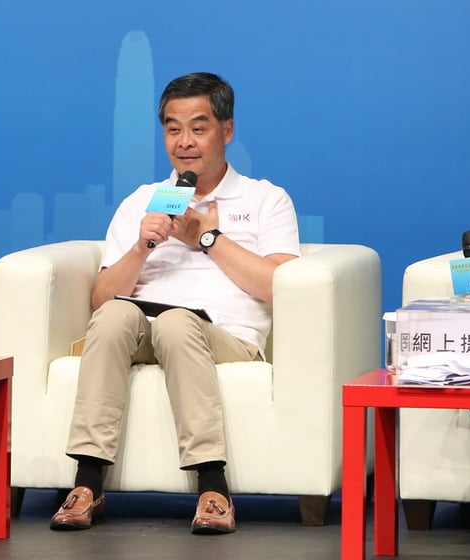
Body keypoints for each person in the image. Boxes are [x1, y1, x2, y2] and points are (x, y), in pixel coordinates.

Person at [49, 72, 300, 534]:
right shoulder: (142, 202)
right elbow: (101, 299)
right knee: (115, 314)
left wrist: (205, 237)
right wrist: (142, 246)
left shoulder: (265, 199)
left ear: (226, 131)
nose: (184, 142)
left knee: (177, 323)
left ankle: (212, 486)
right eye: (173, 128)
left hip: (224, 336)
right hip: (143, 327)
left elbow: (280, 285)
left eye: (198, 128)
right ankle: (87, 482)